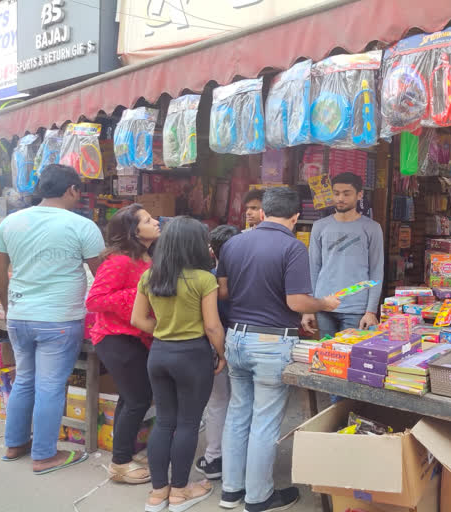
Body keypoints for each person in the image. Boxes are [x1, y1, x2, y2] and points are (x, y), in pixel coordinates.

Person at [216, 187, 340, 512]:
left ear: (262, 212)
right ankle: (258, 498)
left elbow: (223, 291)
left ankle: (231, 491)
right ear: (297, 217)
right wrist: (324, 303)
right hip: (271, 342)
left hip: (236, 338)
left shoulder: (234, 242)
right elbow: (297, 302)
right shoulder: (293, 247)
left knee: (238, 412)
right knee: (265, 420)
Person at [0, 164, 104, 474]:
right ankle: (44, 455)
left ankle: (15, 445)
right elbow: (101, 275)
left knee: (25, 379)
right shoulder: (81, 226)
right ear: (72, 190)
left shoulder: (10, 222)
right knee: (51, 386)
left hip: (20, 315)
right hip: (59, 318)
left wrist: (8, 305)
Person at [131, 217, 226, 512]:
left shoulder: (150, 276)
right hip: (192, 355)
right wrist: (221, 354)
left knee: (164, 421)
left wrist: (163, 331)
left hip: (159, 355)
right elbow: (212, 326)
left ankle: (158, 494)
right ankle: (181, 492)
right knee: (187, 424)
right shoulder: (204, 279)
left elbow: (138, 319)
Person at [86, 204, 160, 484]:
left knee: (132, 398)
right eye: (149, 220)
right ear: (133, 231)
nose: (156, 222)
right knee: (138, 399)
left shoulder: (146, 257)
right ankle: (119, 463)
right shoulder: (120, 261)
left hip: (136, 335)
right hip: (116, 337)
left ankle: (123, 454)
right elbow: (95, 300)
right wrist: (139, 294)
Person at [302, 172, 384, 337]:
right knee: (326, 357)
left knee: (349, 356)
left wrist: (371, 311)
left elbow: (376, 270)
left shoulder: (372, 228)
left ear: (359, 195)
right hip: (323, 305)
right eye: (336, 193)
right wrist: (309, 307)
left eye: (347, 194)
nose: (340, 198)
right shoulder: (319, 226)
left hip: (356, 308)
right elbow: (312, 268)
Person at [195, 224, 240, 480]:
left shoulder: (208, 278)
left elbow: (210, 323)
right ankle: (239, 456)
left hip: (216, 345)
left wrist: (219, 351)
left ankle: (214, 457)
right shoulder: (250, 275)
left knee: (218, 402)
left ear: (213, 251)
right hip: (245, 342)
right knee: (242, 403)